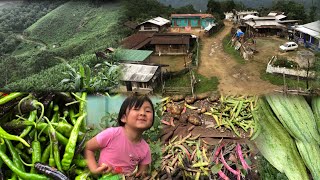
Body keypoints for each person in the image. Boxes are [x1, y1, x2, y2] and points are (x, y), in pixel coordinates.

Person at [85, 94, 155, 178]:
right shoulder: (111, 134)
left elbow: (142, 174)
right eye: (136, 109)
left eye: (147, 111)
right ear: (123, 118)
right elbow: (88, 148)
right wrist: (94, 169)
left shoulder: (145, 149)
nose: (143, 113)